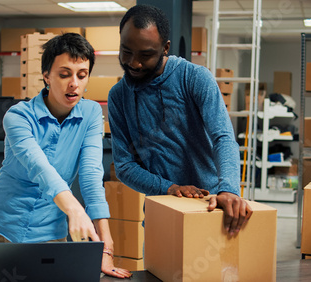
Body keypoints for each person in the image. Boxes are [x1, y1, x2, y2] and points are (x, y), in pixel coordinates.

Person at [0, 33, 131, 279]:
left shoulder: (90, 114)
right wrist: (75, 211)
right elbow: (40, 168)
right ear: (46, 76)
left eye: (82, 74)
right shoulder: (18, 117)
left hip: (50, 232)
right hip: (1, 228)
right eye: (64, 74)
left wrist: (105, 244)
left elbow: (91, 175)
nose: (74, 84)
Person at [108, 5, 252, 236]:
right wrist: (170, 188)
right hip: (160, 215)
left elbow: (222, 137)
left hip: (210, 210)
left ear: (165, 48)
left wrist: (229, 190)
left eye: (145, 55)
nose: (134, 63)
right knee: (157, 273)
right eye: (126, 51)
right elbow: (125, 166)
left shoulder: (194, 78)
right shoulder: (118, 97)